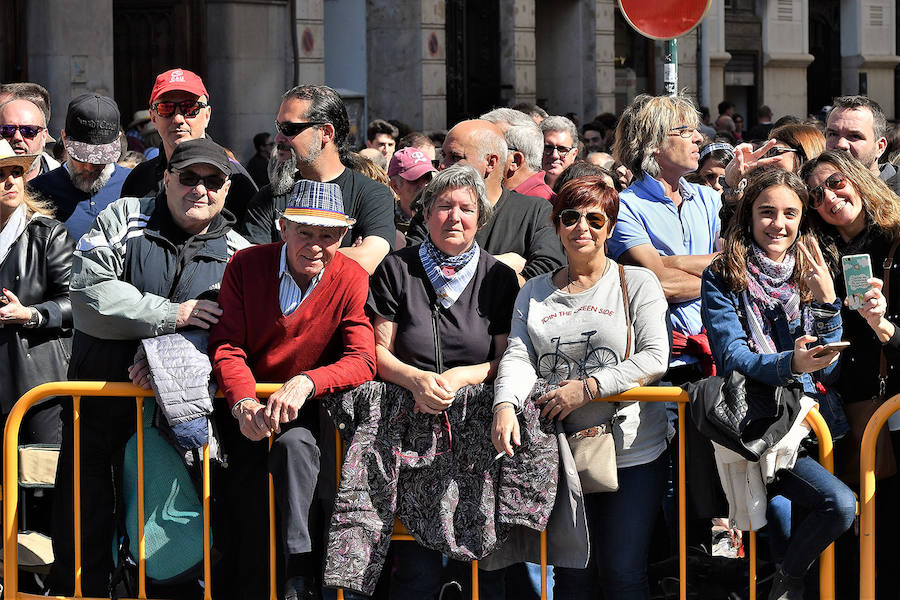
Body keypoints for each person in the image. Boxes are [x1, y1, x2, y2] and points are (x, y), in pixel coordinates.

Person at [48, 138, 250, 597]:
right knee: (84, 537)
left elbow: (236, 332)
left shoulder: (240, 251)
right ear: (166, 179)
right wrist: (171, 315)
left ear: (226, 190)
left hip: (183, 424)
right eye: (189, 178)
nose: (201, 189)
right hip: (98, 409)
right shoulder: (122, 217)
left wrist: (164, 355)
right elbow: (88, 293)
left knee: (171, 551)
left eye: (214, 181)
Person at [492, 175, 670, 599]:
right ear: (556, 225)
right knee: (572, 576)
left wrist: (587, 388)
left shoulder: (637, 282)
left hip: (632, 450)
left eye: (595, 218)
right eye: (570, 217)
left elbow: (654, 358)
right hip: (559, 451)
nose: (581, 227)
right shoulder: (533, 291)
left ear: (609, 226)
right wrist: (504, 404)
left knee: (623, 574)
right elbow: (519, 356)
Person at [210, 179, 375, 600]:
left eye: (328, 235)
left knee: (297, 449)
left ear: (344, 237)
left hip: (311, 412)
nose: (316, 245)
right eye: (305, 231)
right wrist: (243, 399)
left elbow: (363, 358)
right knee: (240, 513)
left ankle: (299, 569)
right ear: (282, 227)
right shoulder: (246, 265)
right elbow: (228, 344)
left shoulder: (351, 276)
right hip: (244, 409)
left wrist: (308, 380)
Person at [700, 168, 856, 600]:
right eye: (767, 212)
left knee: (834, 509)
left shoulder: (813, 272)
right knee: (729, 551)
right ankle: (769, 583)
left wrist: (827, 304)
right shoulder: (722, 273)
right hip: (743, 428)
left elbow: (828, 371)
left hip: (802, 432)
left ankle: (786, 583)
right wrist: (790, 362)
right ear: (749, 215)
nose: (779, 224)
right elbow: (732, 354)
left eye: (790, 214)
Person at [368, 164, 518, 599]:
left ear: (481, 217)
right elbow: (377, 352)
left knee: (481, 566)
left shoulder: (499, 277)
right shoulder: (397, 269)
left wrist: (461, 377)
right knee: (416, 568)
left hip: (478, 438)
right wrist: (416, 380)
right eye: (444, 206)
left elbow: (506, 357)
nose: (455, 217)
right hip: (410, 432)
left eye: (467, 208)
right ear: (425, 213)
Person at [800, 150, 900, 598]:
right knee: (857, 531)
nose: (830, 197)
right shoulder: (817, 253)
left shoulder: (896, 239)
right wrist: (824, 301)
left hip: (891, 404)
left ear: (859, 177)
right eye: (817, 194)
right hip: (848, 410)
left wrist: (884, 326)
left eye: (837, 182)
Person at [609, 93, 721, 383]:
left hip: (719, 354)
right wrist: (720, 280)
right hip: (663, 365)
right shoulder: (626, 207)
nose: (698, 138)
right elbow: (660, 283)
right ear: (654, 144)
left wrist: (673, 261)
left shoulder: (709, 200)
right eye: (685, 131)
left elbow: (736, 264)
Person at [241, 85, 396, 274]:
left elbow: (369, 259)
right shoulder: (269, 197)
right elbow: (252, 266)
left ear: (326, 133)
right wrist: (343, 256)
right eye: (279, 127)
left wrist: (285, 256)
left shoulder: (372, 193)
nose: (279, 137)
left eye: (289, 128)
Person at [406, 119, 565, 285]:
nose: (443, 165)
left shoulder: (536, 212)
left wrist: (450, 270)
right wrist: (498, 265)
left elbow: (547, 275)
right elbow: (413, 272)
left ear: (491, 163)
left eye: (455, 157)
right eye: (443, 156)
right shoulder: (432, 212)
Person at [0, 138, 74, 443]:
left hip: (38, 390)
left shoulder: (48, 233)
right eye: (0, 175)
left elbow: (77, 302)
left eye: (16, 172)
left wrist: (30, 314)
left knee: (39, 484)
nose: (10, 182)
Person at [120, 68, 258, 226]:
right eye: (166, 108)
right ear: (153, 117)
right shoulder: (139, 178)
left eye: (190, 108)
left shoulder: (235, 177)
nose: (178, 118)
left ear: (207, 115)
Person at [29, 93, 131, 241]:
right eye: (81, 157)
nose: (89, 167)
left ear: (118, 141)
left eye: (100, 159)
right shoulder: (37, 192)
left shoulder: (135, 184)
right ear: (64, 139)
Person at [824, 95, 900, 195]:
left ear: (880, 147)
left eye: (855, 136)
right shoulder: (814, 191)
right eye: (833, 134)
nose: (841, 144)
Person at [0, 98, 59, 181]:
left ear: (44, 136)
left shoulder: (65, 185)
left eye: (28, 131)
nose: (17, 137)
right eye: (7, 130)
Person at [541, 116, 579, 189]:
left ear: (574, 154)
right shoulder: (525, 188)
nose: (554, 155)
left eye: (562, 149)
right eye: (548, 148)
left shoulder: (579, 190)